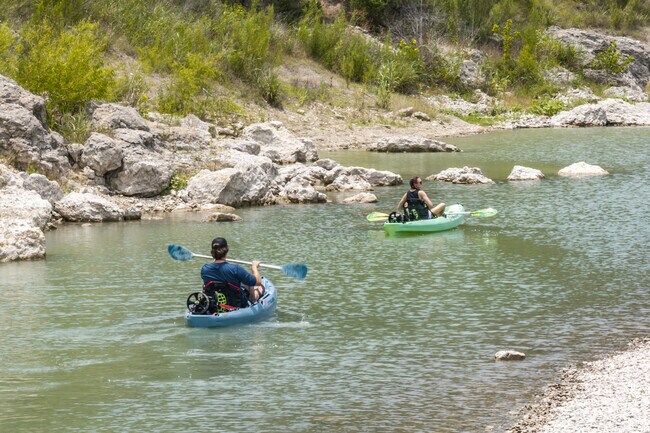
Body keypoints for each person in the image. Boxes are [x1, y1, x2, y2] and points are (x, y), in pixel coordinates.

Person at [200, 237, 265, 308]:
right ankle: (254, 300)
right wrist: (254, 267)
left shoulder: (205, 269)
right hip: (235, 305)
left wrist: (215, 259)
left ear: (212, 252)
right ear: (227, 249)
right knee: (260, 288)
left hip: (214, 306)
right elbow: (258, 282)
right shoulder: (235, 269)